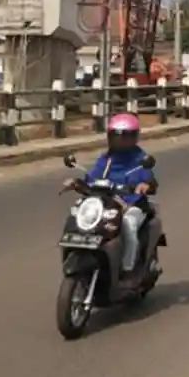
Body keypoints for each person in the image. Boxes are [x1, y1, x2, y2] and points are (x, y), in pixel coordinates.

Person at [64, 113, 157, 287]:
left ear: (134, 137)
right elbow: (93, 176)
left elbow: (149, 179)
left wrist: (145, 185)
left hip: (132, 204)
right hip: (107, 202)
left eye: (125, 137)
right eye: (115, 136)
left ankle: (128, 269)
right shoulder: (106, 159)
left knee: (128, 224)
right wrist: (77, 183)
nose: (120, 141)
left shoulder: (140, 159)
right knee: (78, 214)